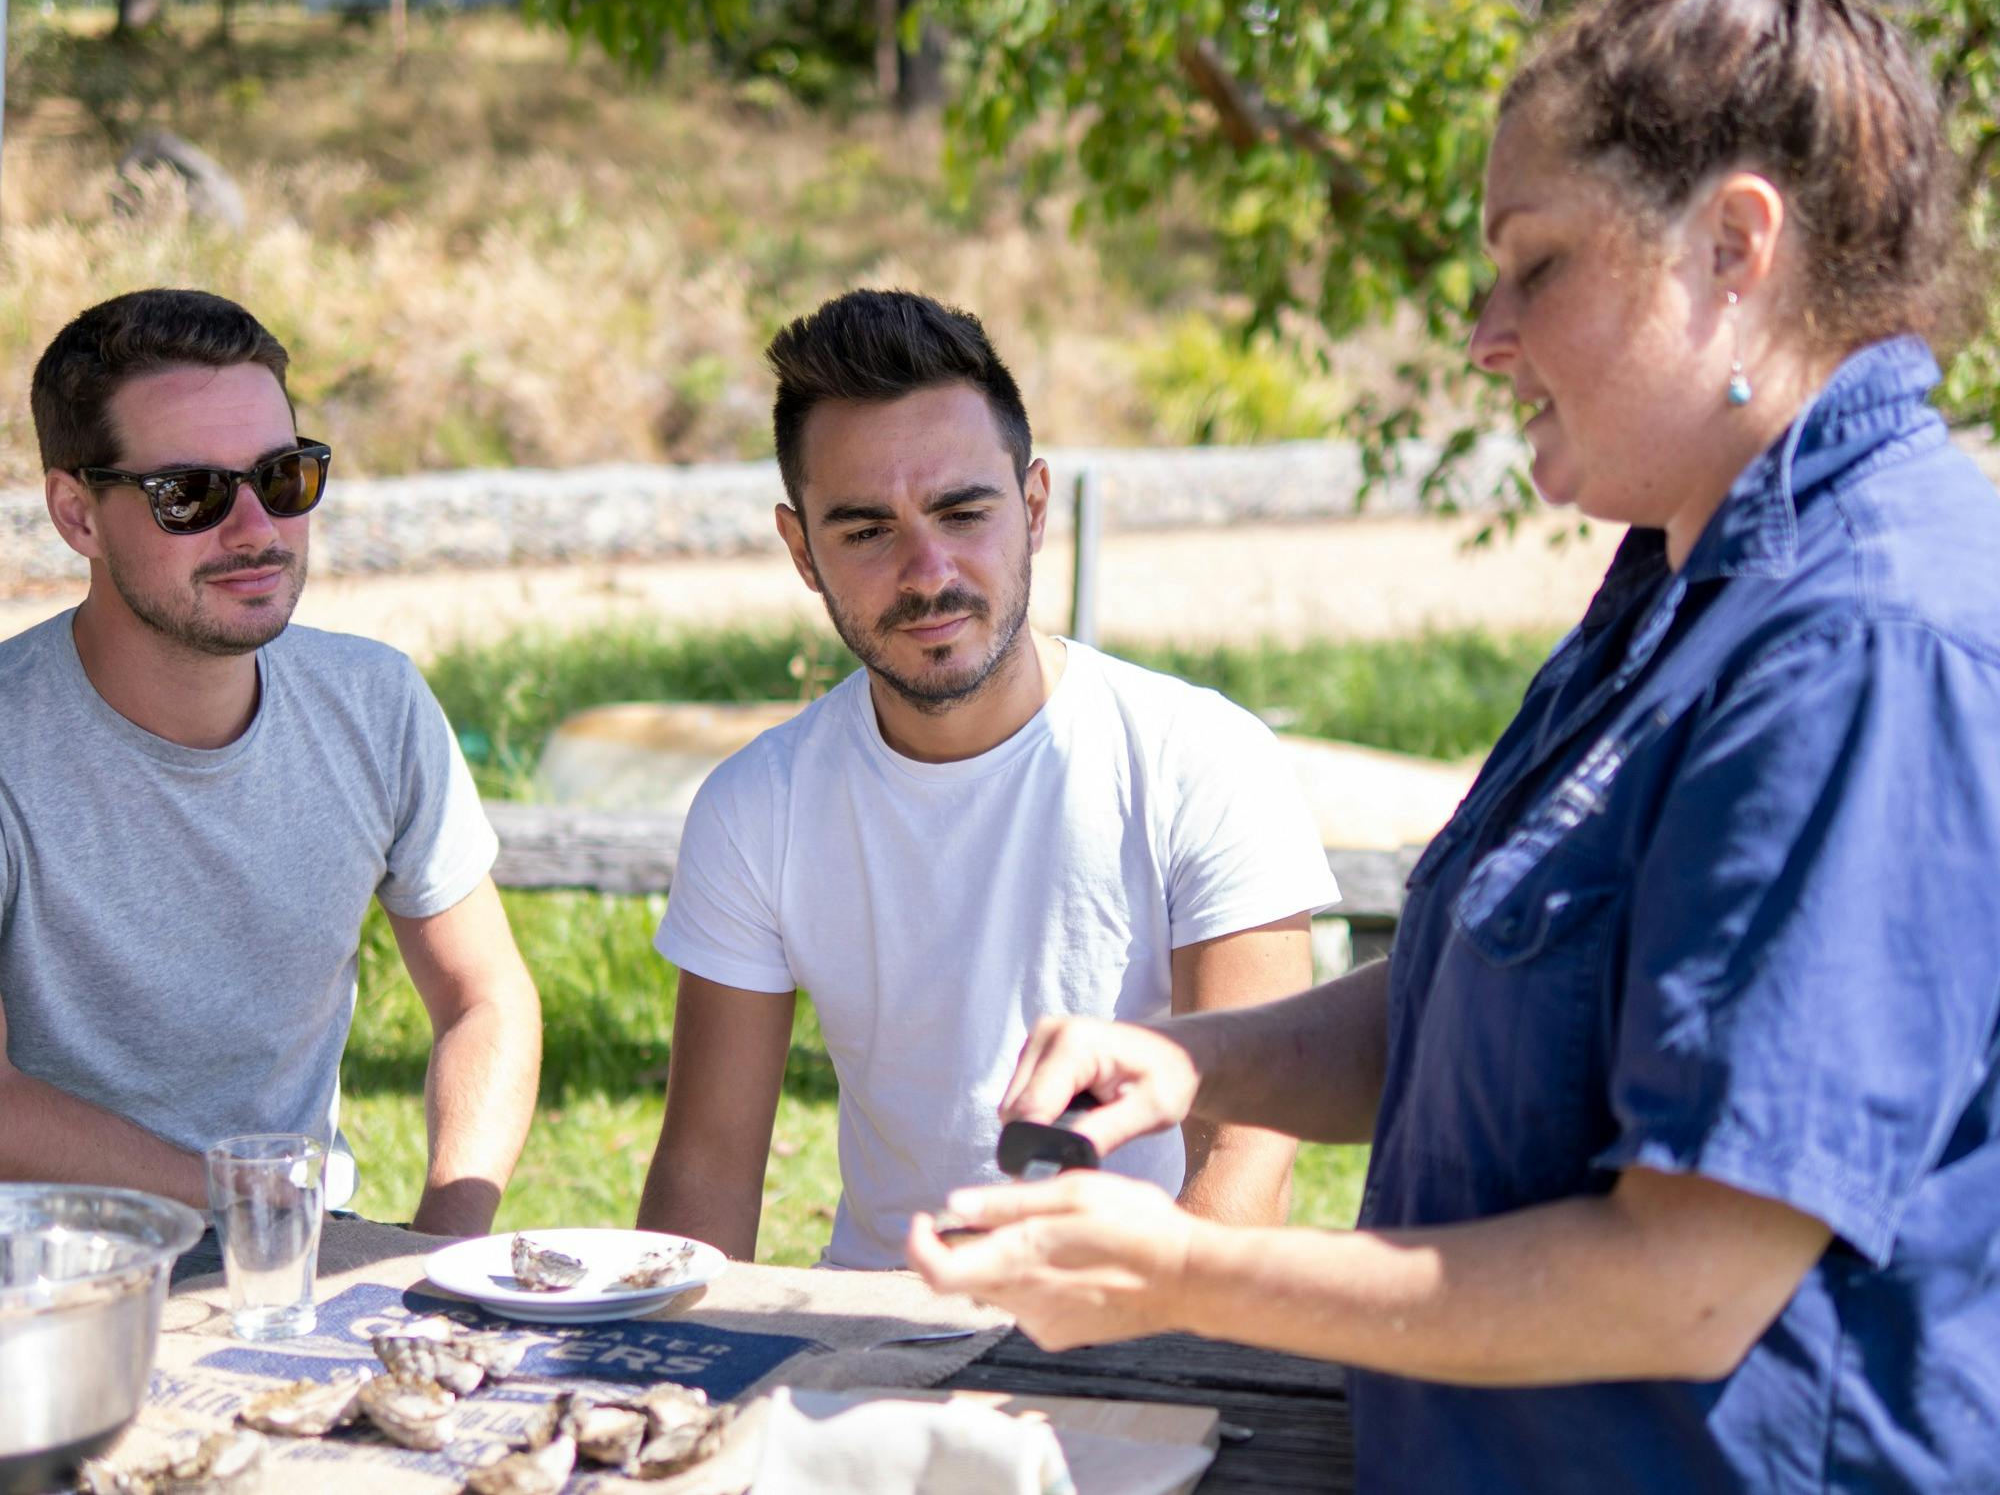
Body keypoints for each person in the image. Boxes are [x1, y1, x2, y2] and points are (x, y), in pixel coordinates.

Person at [908, 0, 2000, 1489]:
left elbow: (1689, 1282)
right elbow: (1483, 1011)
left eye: (1533, 264)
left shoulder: (1864, 642)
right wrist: (1183, 1060)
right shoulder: (1687, 587)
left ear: (1735, 249)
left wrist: (1183, 1275)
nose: (1485, 339)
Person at [637, 288, 1337, 1268]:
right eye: (865, 530)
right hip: (873, 1332)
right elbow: (706, 1167)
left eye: (963, 510)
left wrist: (1165, 1359)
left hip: (1147, 1317)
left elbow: (1243, 1154)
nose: (929, 571)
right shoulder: (757, 806)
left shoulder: (1200, 757)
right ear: (802, 551)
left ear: (1034, 506)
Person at [0, 288, 542, 1236]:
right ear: (77, 515)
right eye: (190, 494)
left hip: (296, 1259)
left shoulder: (375, 702)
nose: (256, 529)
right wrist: (246, 1200)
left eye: (284, 477)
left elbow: (485, 995)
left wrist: (441, 1244)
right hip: (43, 1283)